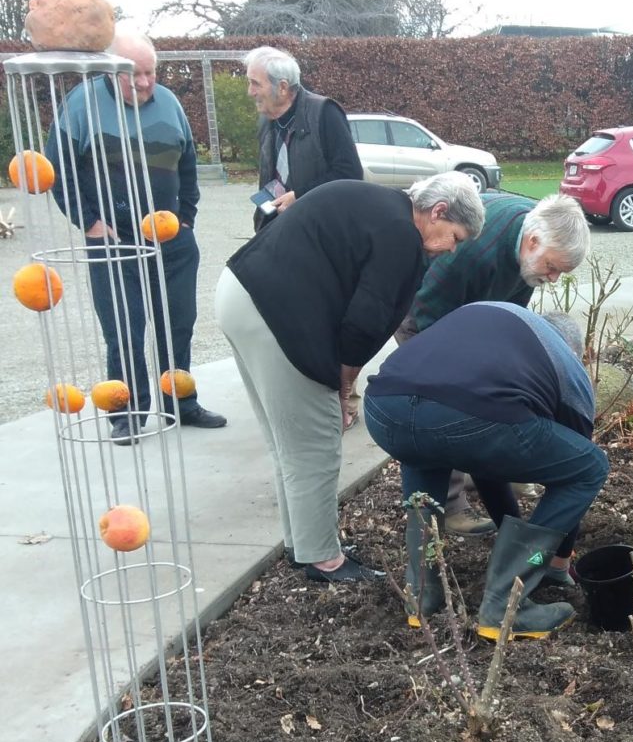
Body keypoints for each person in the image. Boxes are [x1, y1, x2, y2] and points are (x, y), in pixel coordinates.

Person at [215, 174, 484, 585]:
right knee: (317, 443)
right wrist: (342, 391)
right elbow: (363, 326)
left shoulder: (372, 200)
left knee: (288, 441)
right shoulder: (402, 237)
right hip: (276, 315)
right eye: (456, 237)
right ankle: (324, 560)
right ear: (439, 212)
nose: (452, 249)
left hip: (238, 294)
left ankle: (302, 545)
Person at [364, 302, 608, 640]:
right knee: (590, 466)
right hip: (465, 417)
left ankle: (423, 597)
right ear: (574, 350)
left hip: (383, 407)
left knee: (428, 449)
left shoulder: (497, 320)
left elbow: (489, 460)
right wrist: (556, 562)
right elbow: (572, 476)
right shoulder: (567, 366)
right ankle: (506, 605)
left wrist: (509, 527)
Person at [48, 29, 226, 438]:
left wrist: (186, 218)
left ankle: (180, 402)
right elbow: (58, 170)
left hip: (170, 240)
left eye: (151, 72)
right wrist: (90, 222)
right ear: (112, 71)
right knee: (124, 330)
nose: (145, 83)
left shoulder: (169, 103)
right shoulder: (81, 104)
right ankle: (127, 412)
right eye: (134, 74)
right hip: (112, 240)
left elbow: (187, 165)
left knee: (178, 324)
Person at [396, 191, 591, 533]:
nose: (553, 278)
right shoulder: (475, 253)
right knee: (446, 403)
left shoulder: (530, 248)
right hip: (424, 312)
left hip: (468, 312)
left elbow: (513, 314)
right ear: (532, 242)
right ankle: (451, 504)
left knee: (485, 393)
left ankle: (496, 470)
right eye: (552, 268)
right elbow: (428, 307)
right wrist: (453, 369)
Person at [245, 46, 362, 231]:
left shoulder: (325, 113)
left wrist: (299, 196)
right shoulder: (267, 122)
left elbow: (349, 174)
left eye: (256, 83)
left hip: (320, 232)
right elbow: (270, 179)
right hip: (279, 229)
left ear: (282, 87)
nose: (250, 91)